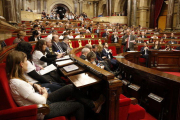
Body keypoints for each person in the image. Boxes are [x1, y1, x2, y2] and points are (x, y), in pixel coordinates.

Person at [6, 51, 105, 120]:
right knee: (78, 105)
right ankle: (92, 106)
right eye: (26, 61)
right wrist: (44, 92)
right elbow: (42, 100)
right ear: (21, 64)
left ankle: (92, 105)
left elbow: (26, 84)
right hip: (42, 110)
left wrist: (35, 86)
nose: (28, 63)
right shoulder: (18, 83)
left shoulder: (16, 78)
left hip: (41, 101)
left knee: (70, 87)